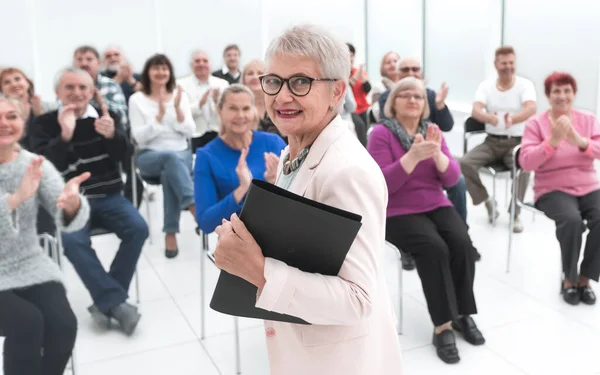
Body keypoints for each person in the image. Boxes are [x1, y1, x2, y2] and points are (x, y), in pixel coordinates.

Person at [212, 24, 403, 375]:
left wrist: (256, 269)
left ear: (337, 92)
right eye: (274, 81)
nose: (282, 97)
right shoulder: (294, 148)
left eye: (300, 82)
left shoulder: (347, 172)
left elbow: (359, 300)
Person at [368, 77, 483, 364]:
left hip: (434, 202)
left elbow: (452, 178)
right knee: (434, 248)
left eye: (418, 96)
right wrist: (413, 157)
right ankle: (442, 324)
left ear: (424, 105)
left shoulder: (431, 131)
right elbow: (381, 184)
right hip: (397, 210)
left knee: (461, 243)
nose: (412, 100)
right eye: (404, 95)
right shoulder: (380, 134)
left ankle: (462, 314)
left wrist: (437, 155)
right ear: (393, 104)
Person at [29, 67, 148, 335]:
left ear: (92, 91)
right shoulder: (44, 123)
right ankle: (116, 302)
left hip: (109, 195)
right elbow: (45, 166)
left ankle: (108, 300)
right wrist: (65, 136)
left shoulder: (108, 116)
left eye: (83, 88)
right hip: (70, 200)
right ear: (57, 92)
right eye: (69, 88)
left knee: (138, 228)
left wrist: (112, 136)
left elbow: (126, 156)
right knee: (72, 241)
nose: (77, 93)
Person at [0, 95, 90, 375]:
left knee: (63, 325)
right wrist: (14, 199)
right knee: (27, 323)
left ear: (23, 122)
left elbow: (65, 214)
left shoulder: (35, 164)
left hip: (30, 263)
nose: (4, 124)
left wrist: (72, 203)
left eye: (11, 116)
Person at [377, 56, 467, 269]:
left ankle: (459, 230)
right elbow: (390, 121)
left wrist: (440, 106)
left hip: (431, 181)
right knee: (433, 247)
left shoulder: (431, 97)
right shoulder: (386, 108)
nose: (411, 72)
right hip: (400, 198)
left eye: (415, 69)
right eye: (405, 69)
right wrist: (414, 155)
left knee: (459, 183)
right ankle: (409, 248)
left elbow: (445, 126)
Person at [520, 72, 599, 306]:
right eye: (556, 91)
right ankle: (569, 279)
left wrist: (580, 141)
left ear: (574, 94)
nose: (562, 96)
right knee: (572, 221)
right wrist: (551, 142)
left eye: (567, 91)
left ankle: (586, 278)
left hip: (588, 185)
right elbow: (526, 163)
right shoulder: (536, 124)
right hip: (552, 188)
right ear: (548, 96)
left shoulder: (588, 119)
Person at [459, 46, 537, 233]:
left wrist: (514, 119)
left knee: (524, 168)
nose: (508, 67)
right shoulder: (486, 86)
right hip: (491, 142)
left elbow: (531, 108)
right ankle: (487, 201)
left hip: (517, 143)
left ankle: (514, 213)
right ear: (496, 64)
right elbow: (476, 110)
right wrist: (488, 118)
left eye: (511, 63)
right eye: (504, 63)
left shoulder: (524, 85)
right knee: (465, 163)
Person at [194, 84, 286, 233]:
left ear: (253, 111)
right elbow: (206, 222)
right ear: (219, 111)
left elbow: (301, 198)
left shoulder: (273, 143)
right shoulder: (207, 156)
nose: (240, 116)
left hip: (279, 232)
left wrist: (277, 182)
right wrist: (242, 189)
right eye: (233, 108)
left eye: (246, 109)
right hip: (238, 240)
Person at [129, 54, 196, 258]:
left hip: (180, 155)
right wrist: (158, 116)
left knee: (171, 170)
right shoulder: (137, 99)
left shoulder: (180, 96)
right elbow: (139, 138)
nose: (161, 72)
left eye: (165, 68)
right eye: (156, 68)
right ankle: (194, 206)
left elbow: (190, 131)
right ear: (147, 73)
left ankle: (170, 233)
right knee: (170, 159)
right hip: (149, 156)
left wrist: (176, 110)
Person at [178, 50, 230, 151]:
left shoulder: (223, 84)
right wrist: (200, 104)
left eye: (205, 61)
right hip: (194, 135)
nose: (201, 64)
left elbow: (228, 113)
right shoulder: (181, 85)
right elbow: (181, 114)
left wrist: (217, 102)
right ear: (191, 65)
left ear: (210, 65)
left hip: (218, 133)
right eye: (197, 61)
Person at [0, 68, 56, 147]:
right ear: (1, 89)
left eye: (17, 79)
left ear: (28, 83)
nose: (14, 84)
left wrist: (40, 115)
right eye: (7, 82)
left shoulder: (48, 107)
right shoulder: (2, 113)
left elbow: (55, 136)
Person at [241, 59, 285, 140]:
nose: (255, 77)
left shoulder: (279, 102)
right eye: (250, 73)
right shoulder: (238, 108)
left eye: (260, 73)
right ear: (243, 79)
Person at [370, 51, 401, 121]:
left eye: (395, 61)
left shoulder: (407, 85)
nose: (393, 64)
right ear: (383, 67)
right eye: (388, 62)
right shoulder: (378, 87)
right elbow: (377, 112)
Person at [347, 43, 372, 123]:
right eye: (348, 55)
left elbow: (367, 89)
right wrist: (355, 77)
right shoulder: (341, 74)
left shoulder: (359, 71)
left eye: (352, 55)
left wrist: (363, 79)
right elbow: (346, 89)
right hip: (350, 110)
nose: (350, 58)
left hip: (364, 108)